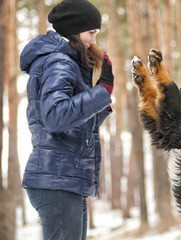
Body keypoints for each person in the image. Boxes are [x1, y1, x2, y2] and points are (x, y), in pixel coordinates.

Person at [19, 0, 114, 239]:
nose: (93, 40)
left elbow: (71, 127)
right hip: (57, 180)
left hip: (62, 179)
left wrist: (101, 103)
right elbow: (55, 117)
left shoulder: (62, 60)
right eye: (91, 32)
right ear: (74, 29)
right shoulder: (59, 61)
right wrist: (100, 92)